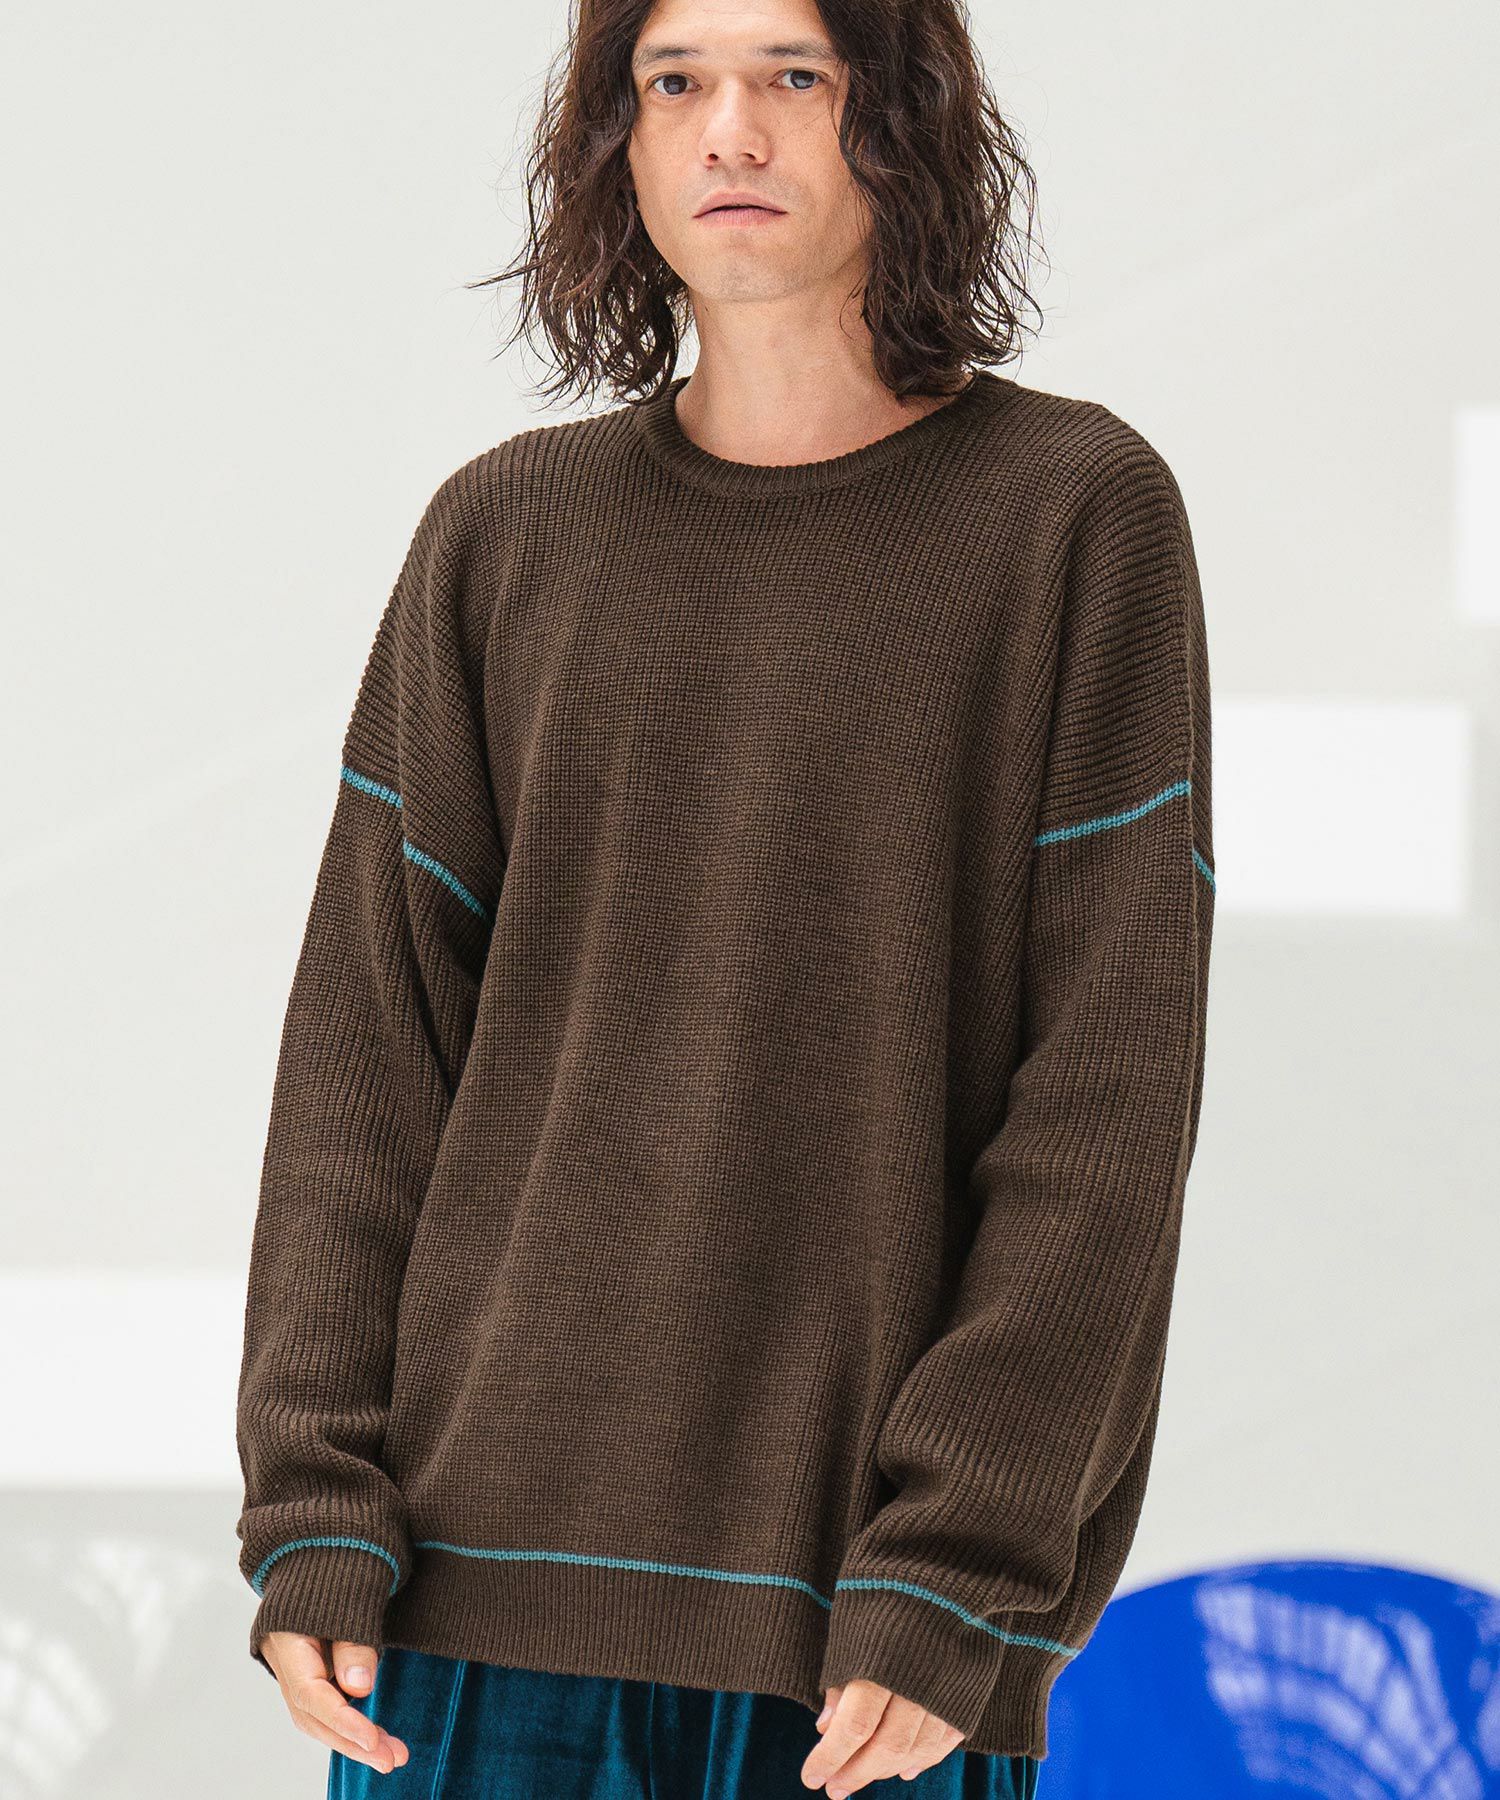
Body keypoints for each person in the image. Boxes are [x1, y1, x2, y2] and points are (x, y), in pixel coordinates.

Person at [233, 0, 1215, 1792]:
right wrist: (311, 1498)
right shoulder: (503, 534)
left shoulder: (1073, 516)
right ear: (617, 139)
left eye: (793, 78)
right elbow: (366, 1060)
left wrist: (964, 1563)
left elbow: (1106, 1098)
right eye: (673, 82)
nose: (728, 134)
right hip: (459, 1607)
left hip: (862, 1630)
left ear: (902, 116)